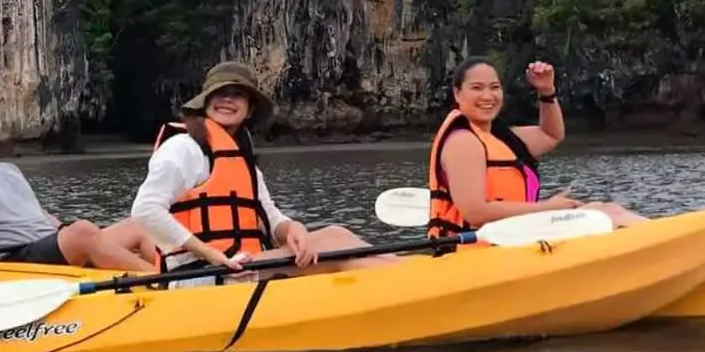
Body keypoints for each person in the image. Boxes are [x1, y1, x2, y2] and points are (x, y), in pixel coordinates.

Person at [130, 61, 397, 281]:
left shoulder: (242, 161)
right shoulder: (183, 148)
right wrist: (210, 254)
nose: (227, 100)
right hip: (201, 274)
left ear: (249, 109)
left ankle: (409, 270)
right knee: (338, 249)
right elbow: (145, 210)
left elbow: (270, 218)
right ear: (206, 103)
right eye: (219, 93)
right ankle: (403, 285)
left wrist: (293, 229)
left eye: (237, 94)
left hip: (239, 265)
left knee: (336, 234)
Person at [426, 57, 646, 237]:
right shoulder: (463, 141)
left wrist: (546, 91)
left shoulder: (499, 137)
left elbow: (551, 135)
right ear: (457, 93)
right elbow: (475, 212)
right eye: (477, 88)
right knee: (606, 216)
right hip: (478, 250)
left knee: (605, 209)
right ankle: (669, 245)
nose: (487, 96)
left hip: (511, 237)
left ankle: (667, 242)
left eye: (494, 87)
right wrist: (547, 208)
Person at [0, 103, 157, 273]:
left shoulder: (8, 169)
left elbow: (37, 215)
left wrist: (78, 234)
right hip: (14, 263)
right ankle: (160, 283)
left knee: (137, 225)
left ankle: (171, 273)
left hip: (50, 245)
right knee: (82, 232)